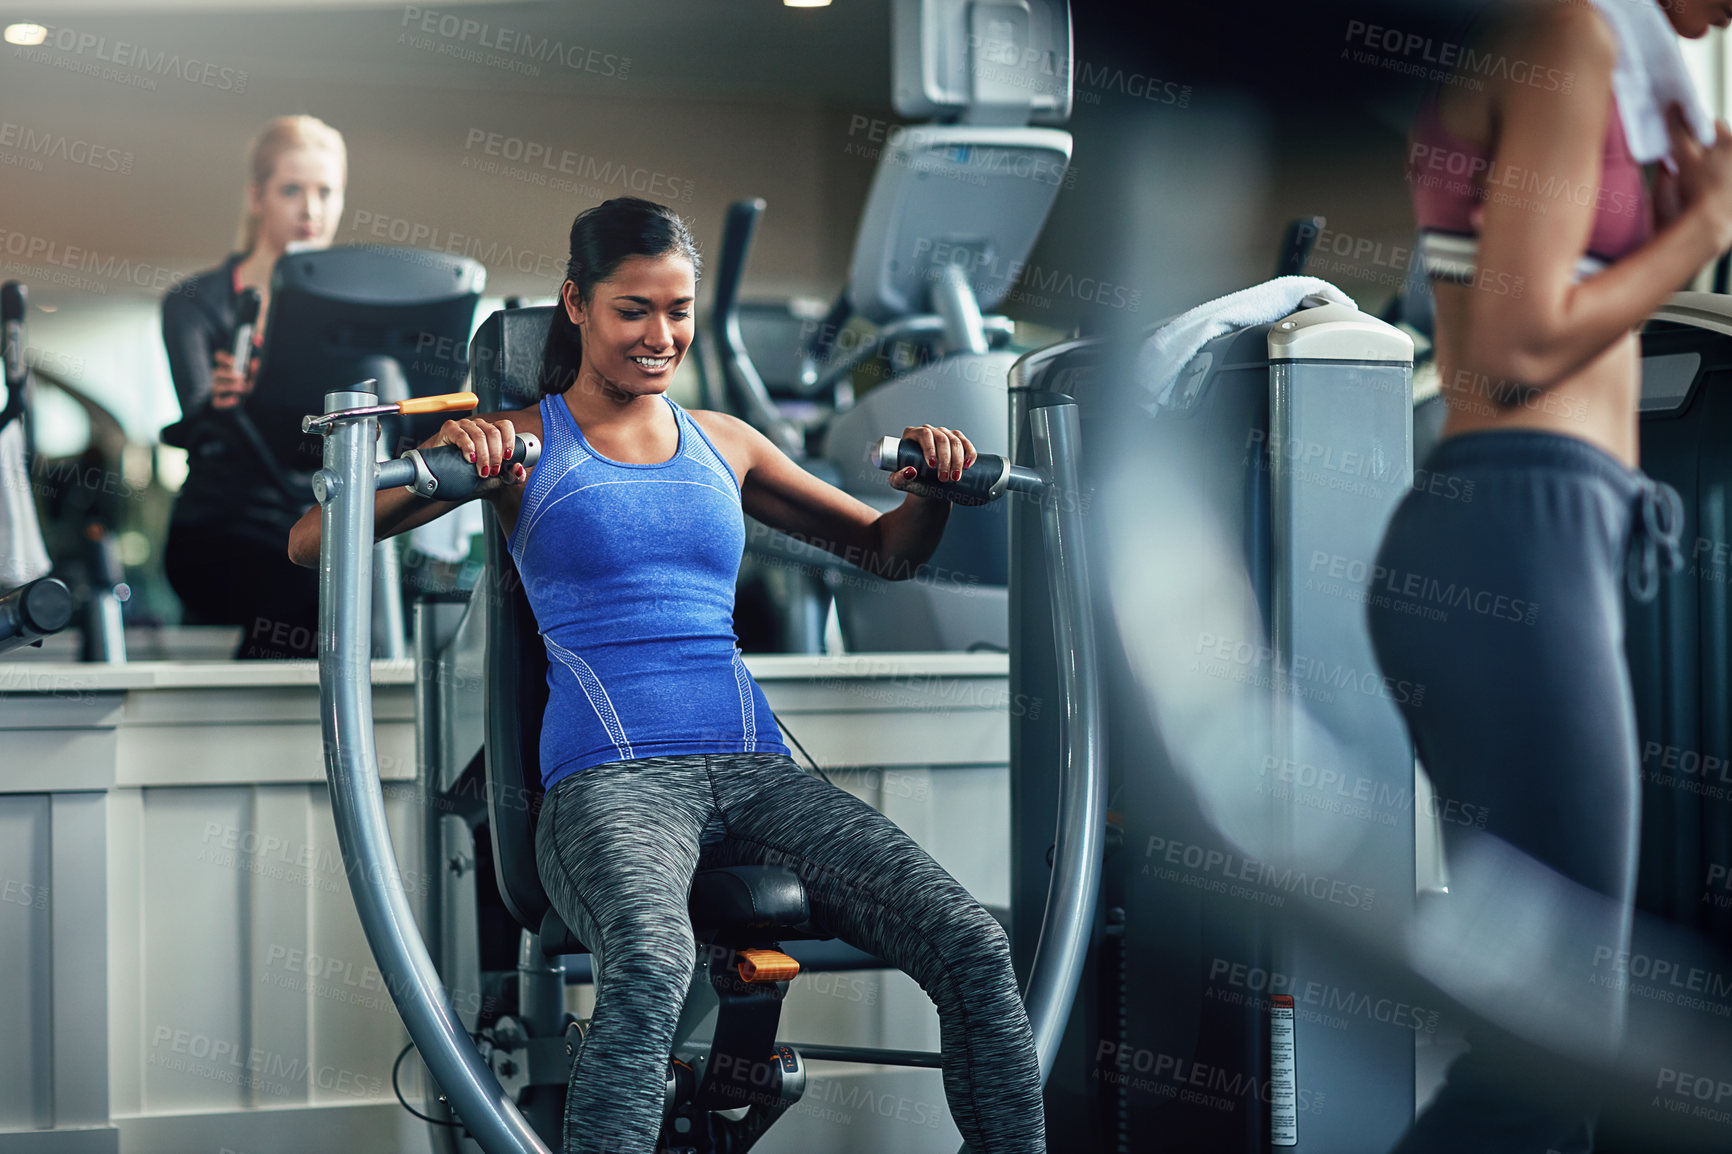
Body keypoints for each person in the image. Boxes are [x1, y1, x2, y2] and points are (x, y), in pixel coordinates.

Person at [287, 197, 1047, 1154]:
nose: (661, 335)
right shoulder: (520, 442)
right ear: (577, 304)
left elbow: (887, 551)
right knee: (651, 960)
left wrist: (931, 494)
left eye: (679, 310)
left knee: (973, 944)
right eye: (632, 309)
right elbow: (314, 541)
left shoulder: (724, 441)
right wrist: (451, 457)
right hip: (609, 781)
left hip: (755, 770)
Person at [1367, 1, 1732, 1150]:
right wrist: (1703, 227)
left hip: (1540, 529)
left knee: (1548, 1046)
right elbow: (1520, 347)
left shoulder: (1604, 48)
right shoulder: (1565, 33)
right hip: (1518, 527)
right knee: (1546, 1058)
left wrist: (1678, 225)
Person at [162, 115, 347, 659]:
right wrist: (224, 405)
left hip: (316, 525)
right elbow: (197, 419)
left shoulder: (348, 308)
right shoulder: (196, 302)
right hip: (223, 530)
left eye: (325, 192)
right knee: (309, 590)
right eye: (292, 190)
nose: (310, 210)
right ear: (257, 197)